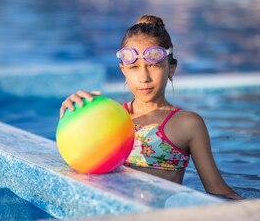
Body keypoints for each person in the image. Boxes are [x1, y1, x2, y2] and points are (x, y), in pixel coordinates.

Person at [59, 15, 242, 200]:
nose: (144, 77)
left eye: (153, 66)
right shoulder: (107, 118)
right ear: (124, 70)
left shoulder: (187, 124)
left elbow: (218, 191)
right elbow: (80, 171)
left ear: (171, 69)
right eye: (134, 68)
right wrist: (72, 116)